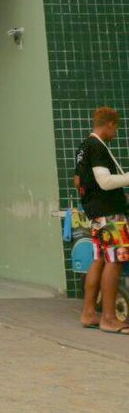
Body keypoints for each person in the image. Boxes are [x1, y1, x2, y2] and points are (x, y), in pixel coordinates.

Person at [76, 107, 129, 334]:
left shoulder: (83, 147)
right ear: (109, 124)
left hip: (97, 214)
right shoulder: (97, 146)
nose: (115, 133)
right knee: (115, 261)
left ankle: (89, 313)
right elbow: (105, 182)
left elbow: (78, 181)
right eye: (115, 128)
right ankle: (108, 318)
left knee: (98, 260)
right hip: (110, 214)